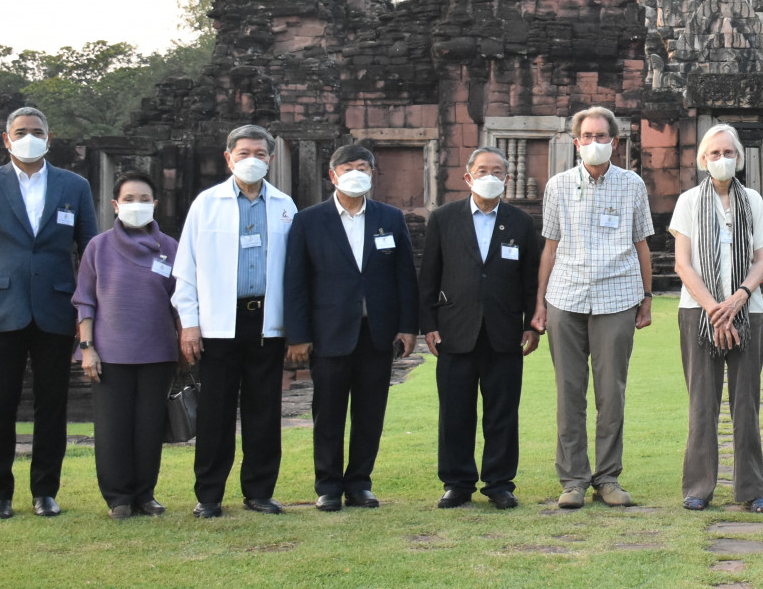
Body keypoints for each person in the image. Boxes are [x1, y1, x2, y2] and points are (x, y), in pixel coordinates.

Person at [0, 106, 99, 519]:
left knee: (52, 405)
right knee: (0, 404)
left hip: (57, 306)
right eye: (21, 131)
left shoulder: (74, 185)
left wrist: (89, 311)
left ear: (49, 138)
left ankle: (44, 491)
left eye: (36, 131)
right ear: (6, 138)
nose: (29, 137)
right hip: (2, 306)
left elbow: (90, 253)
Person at [284, 144, 419, 512]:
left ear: (373, 174)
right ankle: (328, 485)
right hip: (329, 331)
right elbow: (295, 281)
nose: (356, 173)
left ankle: (360, 482)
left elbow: (405, 275)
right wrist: (298, 335)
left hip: (376, 332)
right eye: (348, 167)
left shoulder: (389, 218)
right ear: (333, 175)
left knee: (370, 411)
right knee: (327, 411)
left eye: (363, 167)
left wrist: (408, 327)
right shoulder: (309, 220)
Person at [173, 125, 298, 518]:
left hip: (267, 323)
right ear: (228, 158)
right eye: (243, 153)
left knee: (264, 411)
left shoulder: (284, 206)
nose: (252, 160)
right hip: (218, 324)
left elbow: (295, 272)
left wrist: (295, 326)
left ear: (271, 160)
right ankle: (209, 495)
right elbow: (186, 269)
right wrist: (189, 324)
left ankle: (259, 491)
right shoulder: (206, 204)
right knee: (216, 412)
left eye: (260, 154)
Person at [532, 107, 654, 509]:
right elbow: (549, 246)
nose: (595, 143)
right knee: (569, 391)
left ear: (615, 142)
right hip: (566, 296)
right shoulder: (559, 185)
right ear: (576, 141)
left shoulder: (632, 184)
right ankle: (573, 479)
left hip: (617, 295)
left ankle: (608, 477)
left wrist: (647, 298)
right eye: (588, 136)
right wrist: (539, 304)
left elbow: (641, 245)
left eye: (603, 136)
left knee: (610, 393)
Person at [418, 147, 541, 508]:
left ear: (507, 178)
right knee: (455, 412)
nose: (491, 176)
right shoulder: (444, 218)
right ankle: (457, 482)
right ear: (468, 176)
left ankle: (500, 482)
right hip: (455, 330)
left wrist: (532, 324)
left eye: (498, 171)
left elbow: (531, 278)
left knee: (502, 412)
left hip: (505, 333)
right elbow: (429, 275)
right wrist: (429, 323)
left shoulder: (519, 221)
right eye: (483, 170)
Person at [670, 123, 763, 512]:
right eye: (714, 154)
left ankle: (751, 488)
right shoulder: (687, 202)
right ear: (702, 160)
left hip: (749, 311)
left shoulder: (754, 202)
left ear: (739, 159)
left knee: (746, 404)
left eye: (728, 153)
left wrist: (740, 297)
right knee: (702, 402)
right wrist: (716, 308)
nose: (721, 159)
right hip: (699, 311)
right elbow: (683, 263)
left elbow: (762, 257)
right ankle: (698, 486)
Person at [73, 171, 179, 518]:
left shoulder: (170, 248)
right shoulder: (98, 247)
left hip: (157, 351)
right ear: (116, 205)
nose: (137, 205)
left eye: (144, 199)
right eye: (129, 199)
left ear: (155, 204)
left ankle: (144, 494)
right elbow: (85, 300)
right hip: (110, 353)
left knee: (149, 427)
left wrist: (185, 344)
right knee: (112, 428)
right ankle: (118, 497)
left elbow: (181, 300)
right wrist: (87, 346)